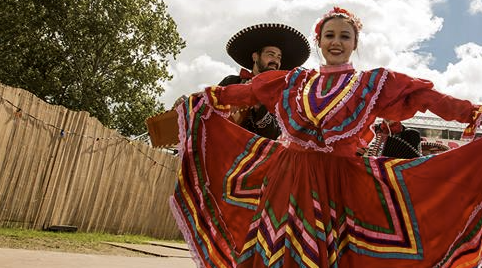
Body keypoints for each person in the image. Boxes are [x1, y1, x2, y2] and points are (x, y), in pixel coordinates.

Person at [171, 7, 482, 268]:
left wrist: (471, 112)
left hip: (337, 185)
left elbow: (425, 98)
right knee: (274, 250)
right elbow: (248, 91)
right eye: (329, 35)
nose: (336, 42)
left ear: (354, 43)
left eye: (344, 36)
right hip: (286, 179)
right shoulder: (294, 81)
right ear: (318, 41)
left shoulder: (371, 85)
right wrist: (206, 98)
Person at [220, 23, 310, 139]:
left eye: (279, 57)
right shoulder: (231, 81)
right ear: (255, 57)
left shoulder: (283, 95)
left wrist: (260, 107)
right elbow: (206, 112)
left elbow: (276, 136)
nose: (275, 61)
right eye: (270, 54)